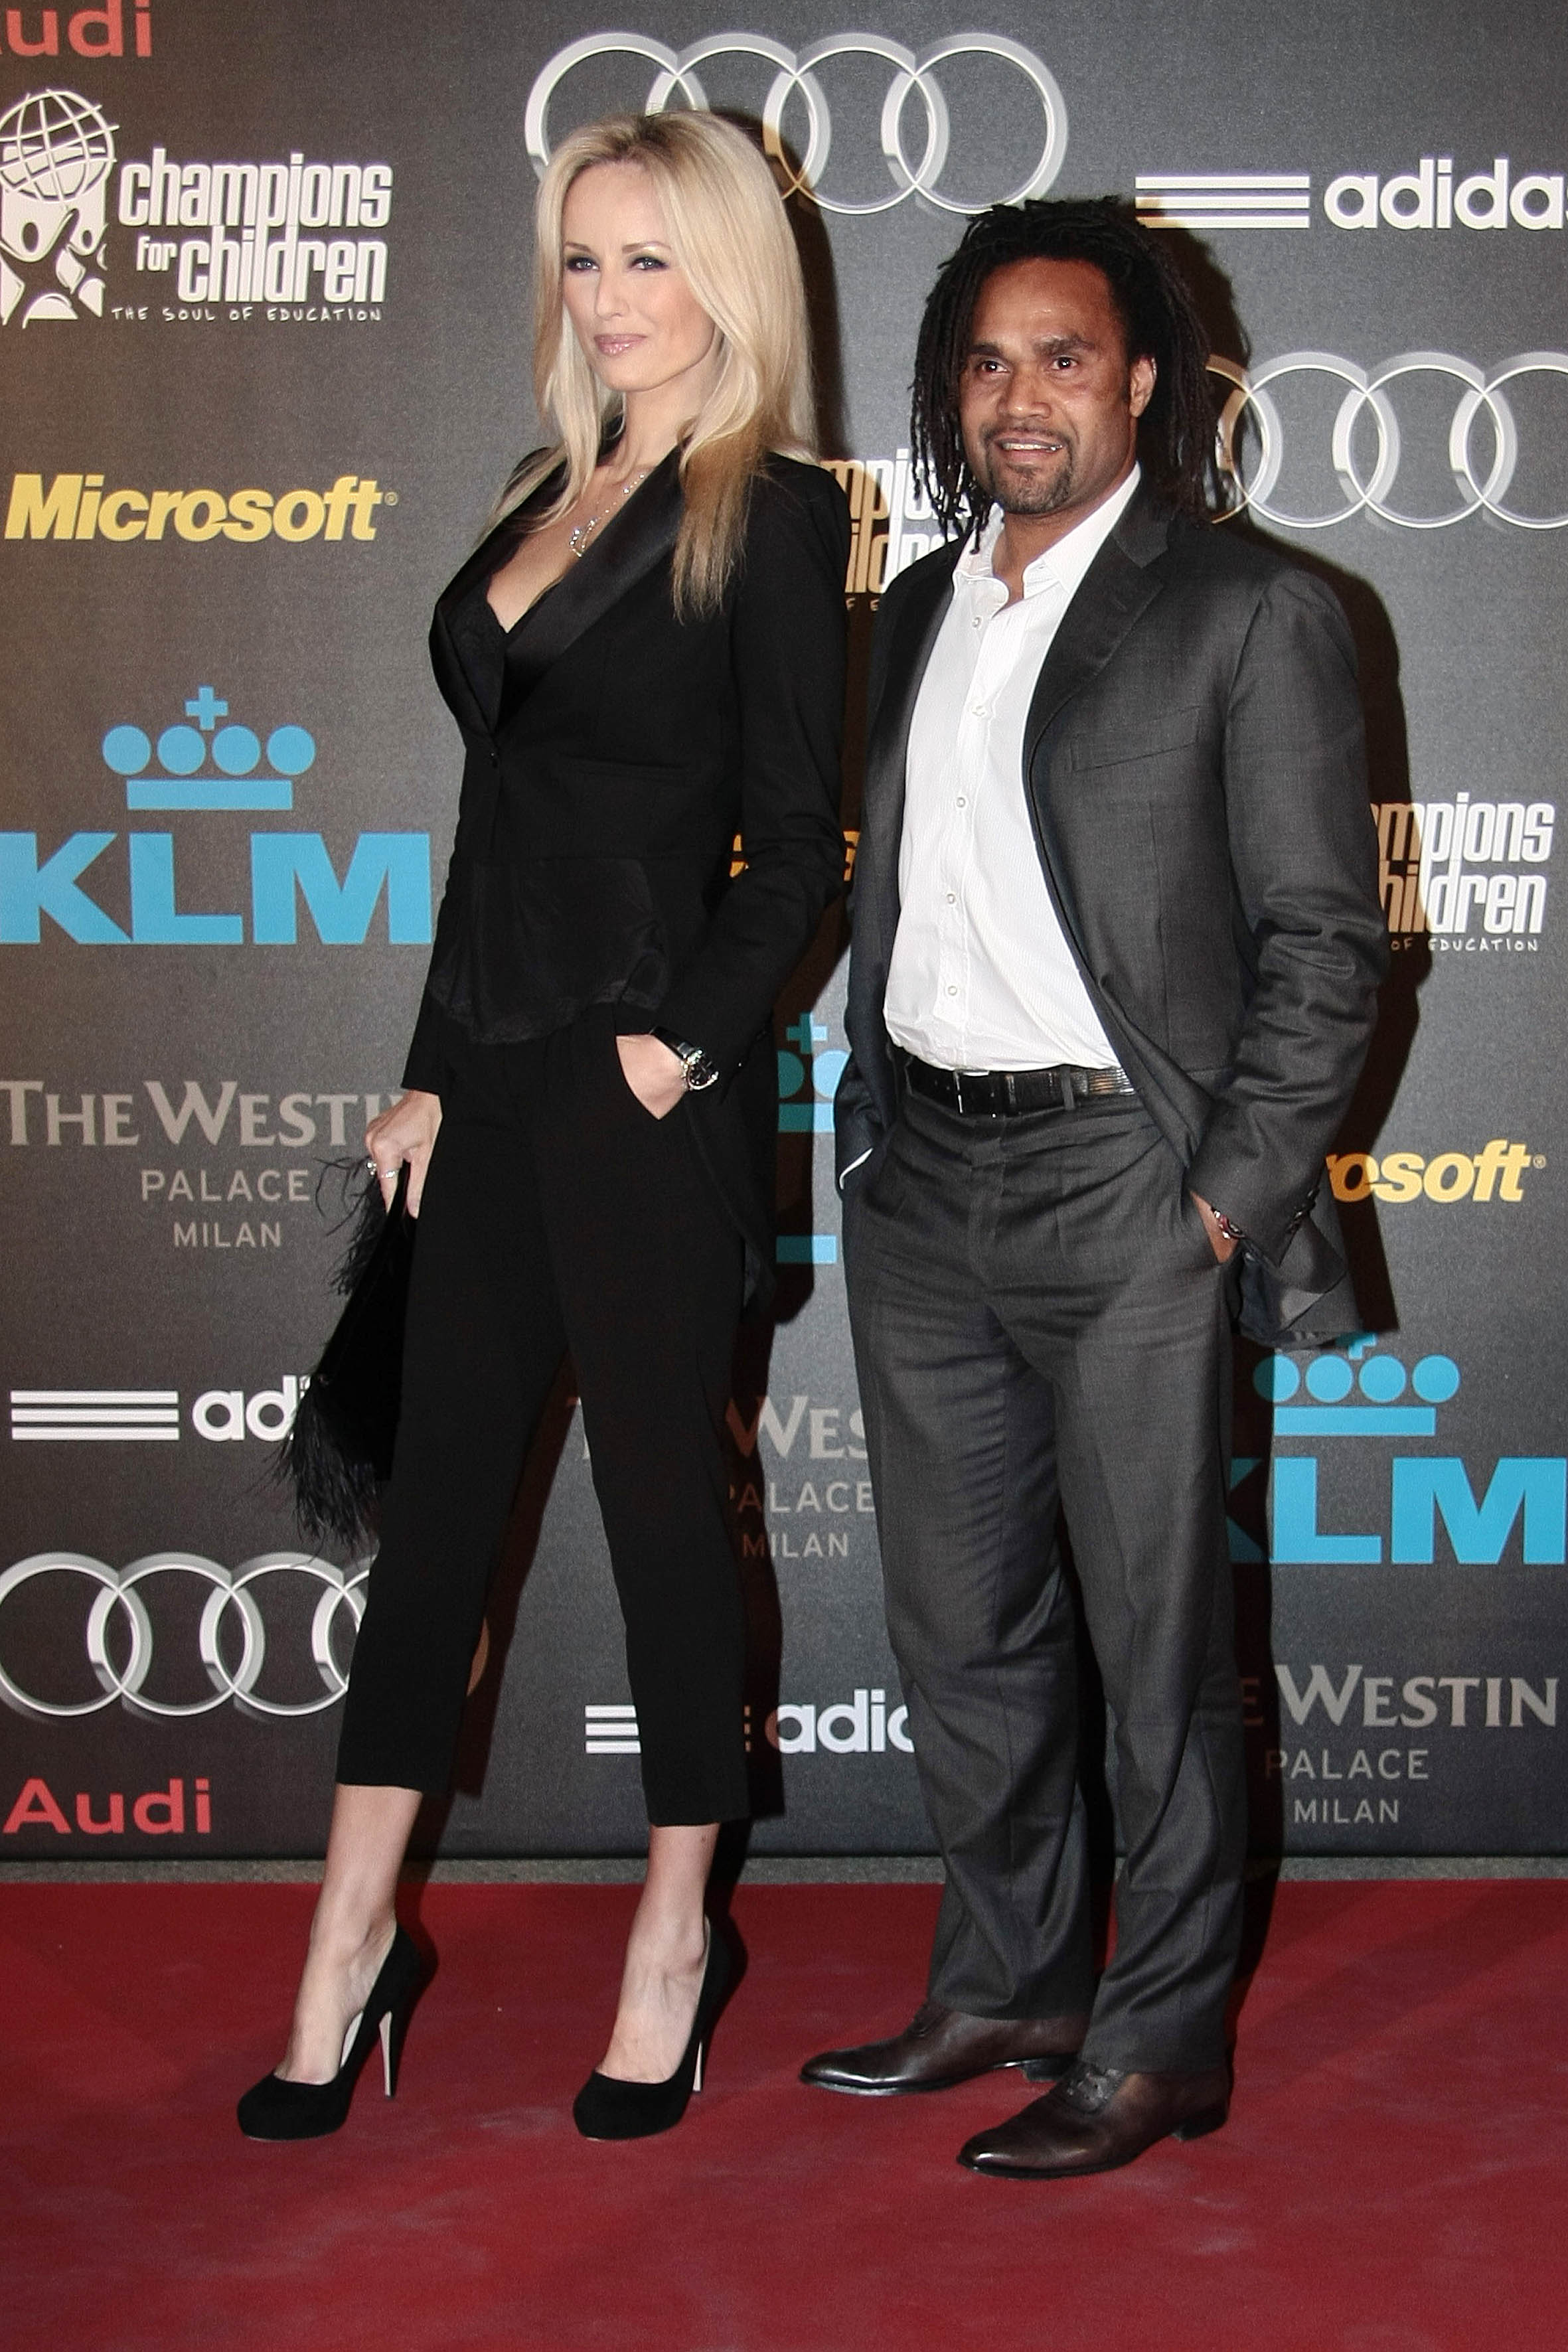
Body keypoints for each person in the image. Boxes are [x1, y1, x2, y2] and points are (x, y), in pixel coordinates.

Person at [238, 110, 848, 2144]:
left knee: (663, 1518)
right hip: (488, 1082)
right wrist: (428, 1059)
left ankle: (673, 1942)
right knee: (435, 1525)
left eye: (650, 258)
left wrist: (673, 1051)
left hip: (637, 1096)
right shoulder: (540, 486)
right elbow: (491, 818)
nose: (608, 298)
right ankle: (347, 1943)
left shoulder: (767, 514)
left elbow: (797, 850)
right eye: (583, 259)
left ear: (729, 275)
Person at [802, 199, 1386, 2178]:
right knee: (959, 1633)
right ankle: (1009, 1981)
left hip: (1128, 1186)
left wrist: (1222, 1195)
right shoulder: (913, 609)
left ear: (1142, 378)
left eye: (1061, 357)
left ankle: (1160, 2042)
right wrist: (869, 1131)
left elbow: (1326, 943)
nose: (1020, 398)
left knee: (1153, 1650)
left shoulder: (1249, 611)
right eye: (985, 363)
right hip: (924, 1184)